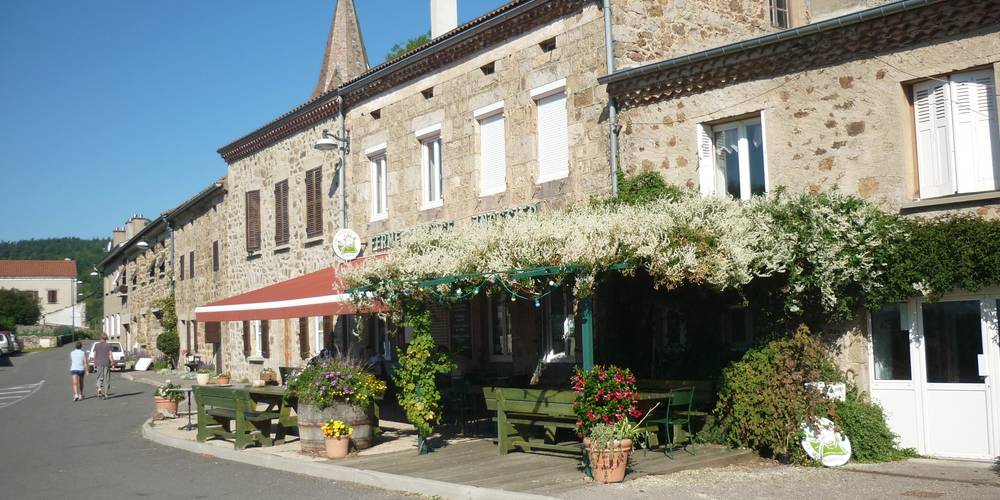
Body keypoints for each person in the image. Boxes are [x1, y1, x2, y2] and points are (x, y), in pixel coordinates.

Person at [93, 334, 114, 399]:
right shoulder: (108, 345)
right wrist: (112, 363)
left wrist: (94, 363)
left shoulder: (96, 345)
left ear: (100, 338)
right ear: (106, 338)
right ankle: (106, 394)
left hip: (99, 363)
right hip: (106, 363)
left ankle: (99, 388)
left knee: (99, 377)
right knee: (107, 378)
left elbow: (95, 355)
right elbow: (110, 355)